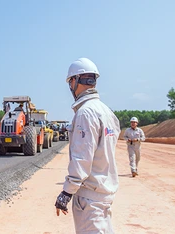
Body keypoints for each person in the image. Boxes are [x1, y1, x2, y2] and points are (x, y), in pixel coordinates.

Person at [54, 58, 121, 233]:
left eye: (70, 82)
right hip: (104, 195)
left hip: (89, 199)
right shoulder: (107, 112)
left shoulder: (85, 113)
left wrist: (67, 192)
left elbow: (82, 158)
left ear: (75, 81)